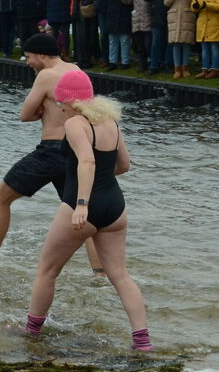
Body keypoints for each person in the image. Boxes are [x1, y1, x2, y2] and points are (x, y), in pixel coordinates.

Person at [17, 69, 150, 351]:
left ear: (70, 101)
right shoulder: (110, 121)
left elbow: (86, 162)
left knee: (46, 271)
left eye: (60, 102)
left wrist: (82, 204)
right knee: (120, 276)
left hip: (82, 206)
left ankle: (31, 332)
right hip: (115, 206)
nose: (59, 107)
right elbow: (124, 165)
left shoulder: (76, 123)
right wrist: (102, 184)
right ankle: (142, 341)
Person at [0, 34, 101, 274]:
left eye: (29, 56)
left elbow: (24, 114)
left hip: (51, 150)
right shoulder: (77, 70)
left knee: (0, 197)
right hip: (76, 148)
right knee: (82, 213)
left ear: (42, 55)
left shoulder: (46, 76)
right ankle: (100, 272)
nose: (26, 62)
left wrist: (41, 109)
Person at [164, 0, 198, 79]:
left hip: (187, 16)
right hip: (174, 17)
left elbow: (194, 0)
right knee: (176, 44)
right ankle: (177, 68)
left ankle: (185, 67)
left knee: (186, 43)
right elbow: (167, 2)